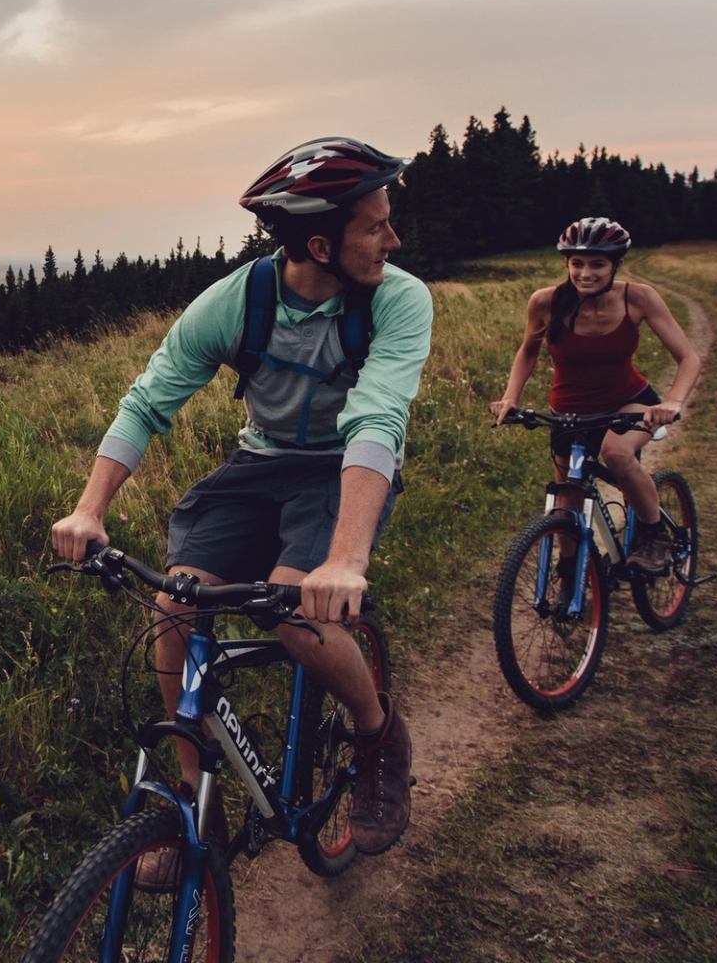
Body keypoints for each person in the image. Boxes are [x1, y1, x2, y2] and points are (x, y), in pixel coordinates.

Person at [49, 136, 434, 874]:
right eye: (376, 225)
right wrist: (88, 509)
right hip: (258, 465)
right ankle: (194, 801)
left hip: (338, 472)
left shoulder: (399, 300)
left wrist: (347, 561)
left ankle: (378, 731)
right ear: (320, 243)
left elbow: (376, 421)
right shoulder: (237, 302)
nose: (394, 238)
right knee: (176, 602)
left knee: (297, 614)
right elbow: (149, 399)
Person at [488, 217, 702, 572]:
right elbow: (528, 351)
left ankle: (655, 535)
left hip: (629, 402)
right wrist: (511, 397)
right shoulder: (545, 302)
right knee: (566, 498)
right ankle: (570, 573)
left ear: (615, 264)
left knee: (616, 453)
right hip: (570, 412)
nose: (585, 273)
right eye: (577, 263)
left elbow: (688, 357)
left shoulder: (639, 298)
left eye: (597, 264)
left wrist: (672, 402)